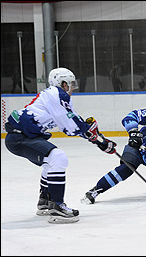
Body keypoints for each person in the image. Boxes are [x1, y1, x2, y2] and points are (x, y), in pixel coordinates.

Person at [4, 67, 117, 224]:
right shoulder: (57, 94)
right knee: (58, 158)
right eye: (70, 84)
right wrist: (95, 139)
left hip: (21, 136)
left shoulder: (55, 96)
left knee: (50, 163)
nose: (72, 88)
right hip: (20, 137)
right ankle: (57, 206)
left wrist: (99, 139)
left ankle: (45, 201)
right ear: (63, 83)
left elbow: (74, 118)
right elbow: (70, 126)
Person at [81, 105, 146, 204]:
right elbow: (132, 116)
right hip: (137, 148)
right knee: (125, 170)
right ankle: (95, 190)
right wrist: (133, 131)